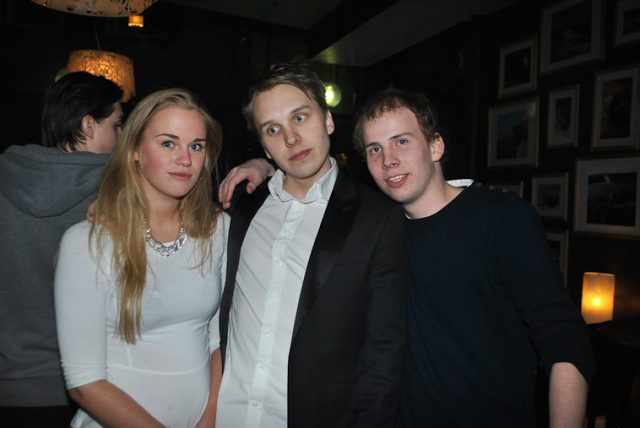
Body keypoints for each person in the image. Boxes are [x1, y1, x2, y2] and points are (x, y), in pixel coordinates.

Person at [219, 88, 595, 428]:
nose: (389, 160)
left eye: (401, 141)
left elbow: (563, 338)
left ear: (435, 146)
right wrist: (267, 166)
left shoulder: (500, 218)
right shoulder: (377, 225)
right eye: (375, 149)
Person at [215, 64, 407, 428]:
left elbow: (384, 353)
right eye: (273, 129)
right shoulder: (241, 206)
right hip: (227, 415)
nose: (291, 138)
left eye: (300, 117)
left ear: (328, 120)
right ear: (264, 146)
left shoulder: (377, 218)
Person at [54, 88, 228, 427]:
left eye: (196, 146)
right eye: (168, 143)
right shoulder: (88, 242)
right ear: (134, 149)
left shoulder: (218, 230)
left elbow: (217, 339)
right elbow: (84, 382)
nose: (185, 159)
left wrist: (208, 419)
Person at [0, 71, 123, 427]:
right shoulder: (119, 189)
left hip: (8, 386)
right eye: (116, 125)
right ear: (88, 126)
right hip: (88, 386)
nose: (121, 136)